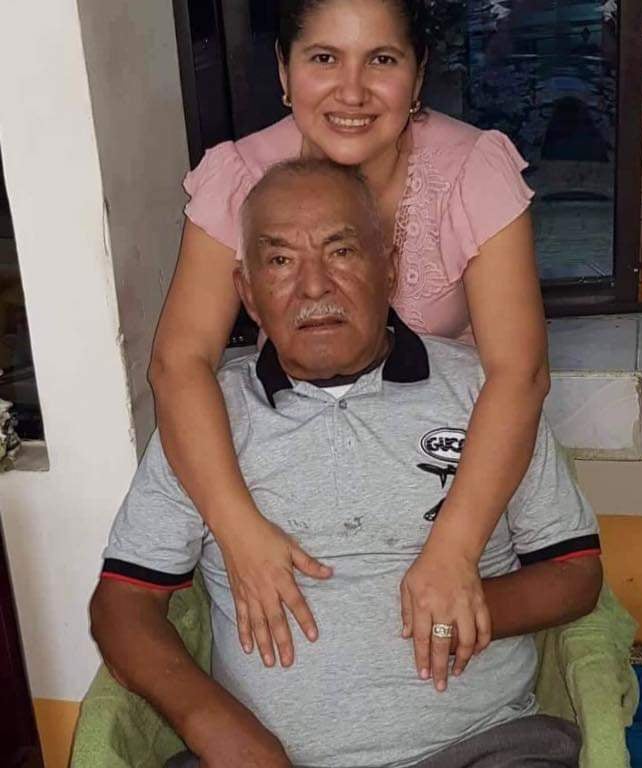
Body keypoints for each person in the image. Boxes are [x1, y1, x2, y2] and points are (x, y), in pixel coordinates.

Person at [92, 160, 602, 768]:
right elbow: (121, 605)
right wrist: (214, 724)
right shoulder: (206, 419)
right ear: (247, 292)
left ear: (388, 269)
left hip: (481, 748)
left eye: (340, 252)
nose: (313, 287)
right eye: (280, 261)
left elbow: (576, 573)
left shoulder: (483, 394)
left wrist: (470, 609)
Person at [149, 0, 550, 682]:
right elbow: (177, 361)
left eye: (382, 60)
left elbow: (522, 372)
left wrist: (454, 549)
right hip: (302, 453)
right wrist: (239, 531)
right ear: (284, 71)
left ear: (418, 74)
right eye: (324, 58)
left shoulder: (471, 171)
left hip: (449, 463)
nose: (353, 92)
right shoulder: (240, 179)